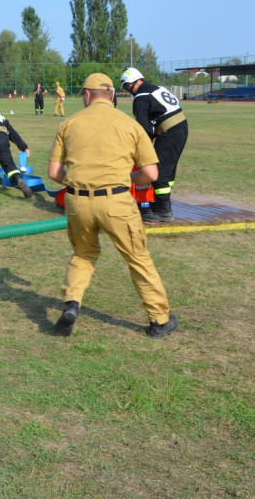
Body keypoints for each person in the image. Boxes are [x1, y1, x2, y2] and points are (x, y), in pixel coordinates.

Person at [47, 72, 178, 340]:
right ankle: (159, 321)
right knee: (138, 258)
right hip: (116, 202)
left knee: (83, 255)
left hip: (77, 201)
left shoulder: (68, 123)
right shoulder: (129, 125)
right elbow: (151, 174)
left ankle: (72, 304)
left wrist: (77, 182)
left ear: (86, 95)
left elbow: (54, 173)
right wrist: (127, 179)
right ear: (112, 96)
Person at [119, 67, 189, 223]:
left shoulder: (141, 98)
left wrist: (141, 150)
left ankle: (164, 212)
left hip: (168, 132)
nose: (128, 90)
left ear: (131, 84)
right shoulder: (156, 88)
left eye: (126, 86)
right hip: (181, 128)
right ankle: (161, 205)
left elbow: (144, 130)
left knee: (157, 171)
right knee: (169, 171)